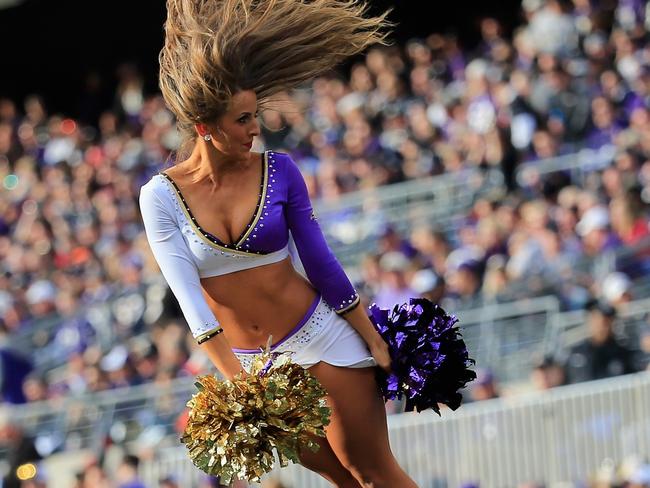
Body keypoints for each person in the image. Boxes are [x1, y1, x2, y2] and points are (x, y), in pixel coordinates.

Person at [139, 1, 417, 486]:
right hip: (258, 370)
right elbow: (192, 305)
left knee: (374, 473)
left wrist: (371, 336)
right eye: (242, 120)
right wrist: (242, 389)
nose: (254, 129)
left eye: (255, 116)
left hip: (323, 338)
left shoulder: (280, 170)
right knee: (344, 483)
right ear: (205, 127)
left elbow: (321, 263)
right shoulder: (160, 196)